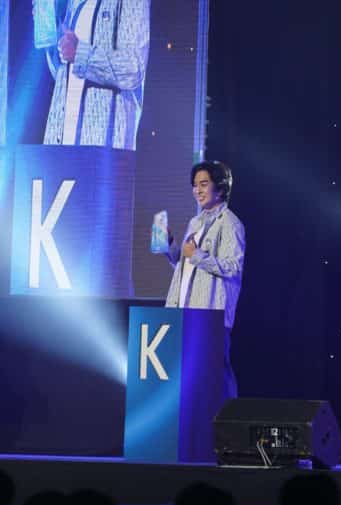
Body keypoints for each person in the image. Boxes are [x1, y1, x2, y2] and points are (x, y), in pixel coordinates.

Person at [165, 160, 245, 399]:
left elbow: (233, 267)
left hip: (211, 315)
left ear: (220, 187)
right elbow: (185, 265)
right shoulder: (196, 222)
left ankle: (228, 417)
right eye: (194, 185)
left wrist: (197, 255)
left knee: (215, 375)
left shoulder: (230, 223)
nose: (197, 190)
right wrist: (170, 245)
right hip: (185, 311)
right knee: (190, 377)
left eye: (203, 184)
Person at [42, 0, 150, 149]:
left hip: (101, 148)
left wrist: (80, 53)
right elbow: (64, 72)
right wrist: (49, 32)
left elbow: (133, 69)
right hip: (59, 143)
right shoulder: (72, 3)